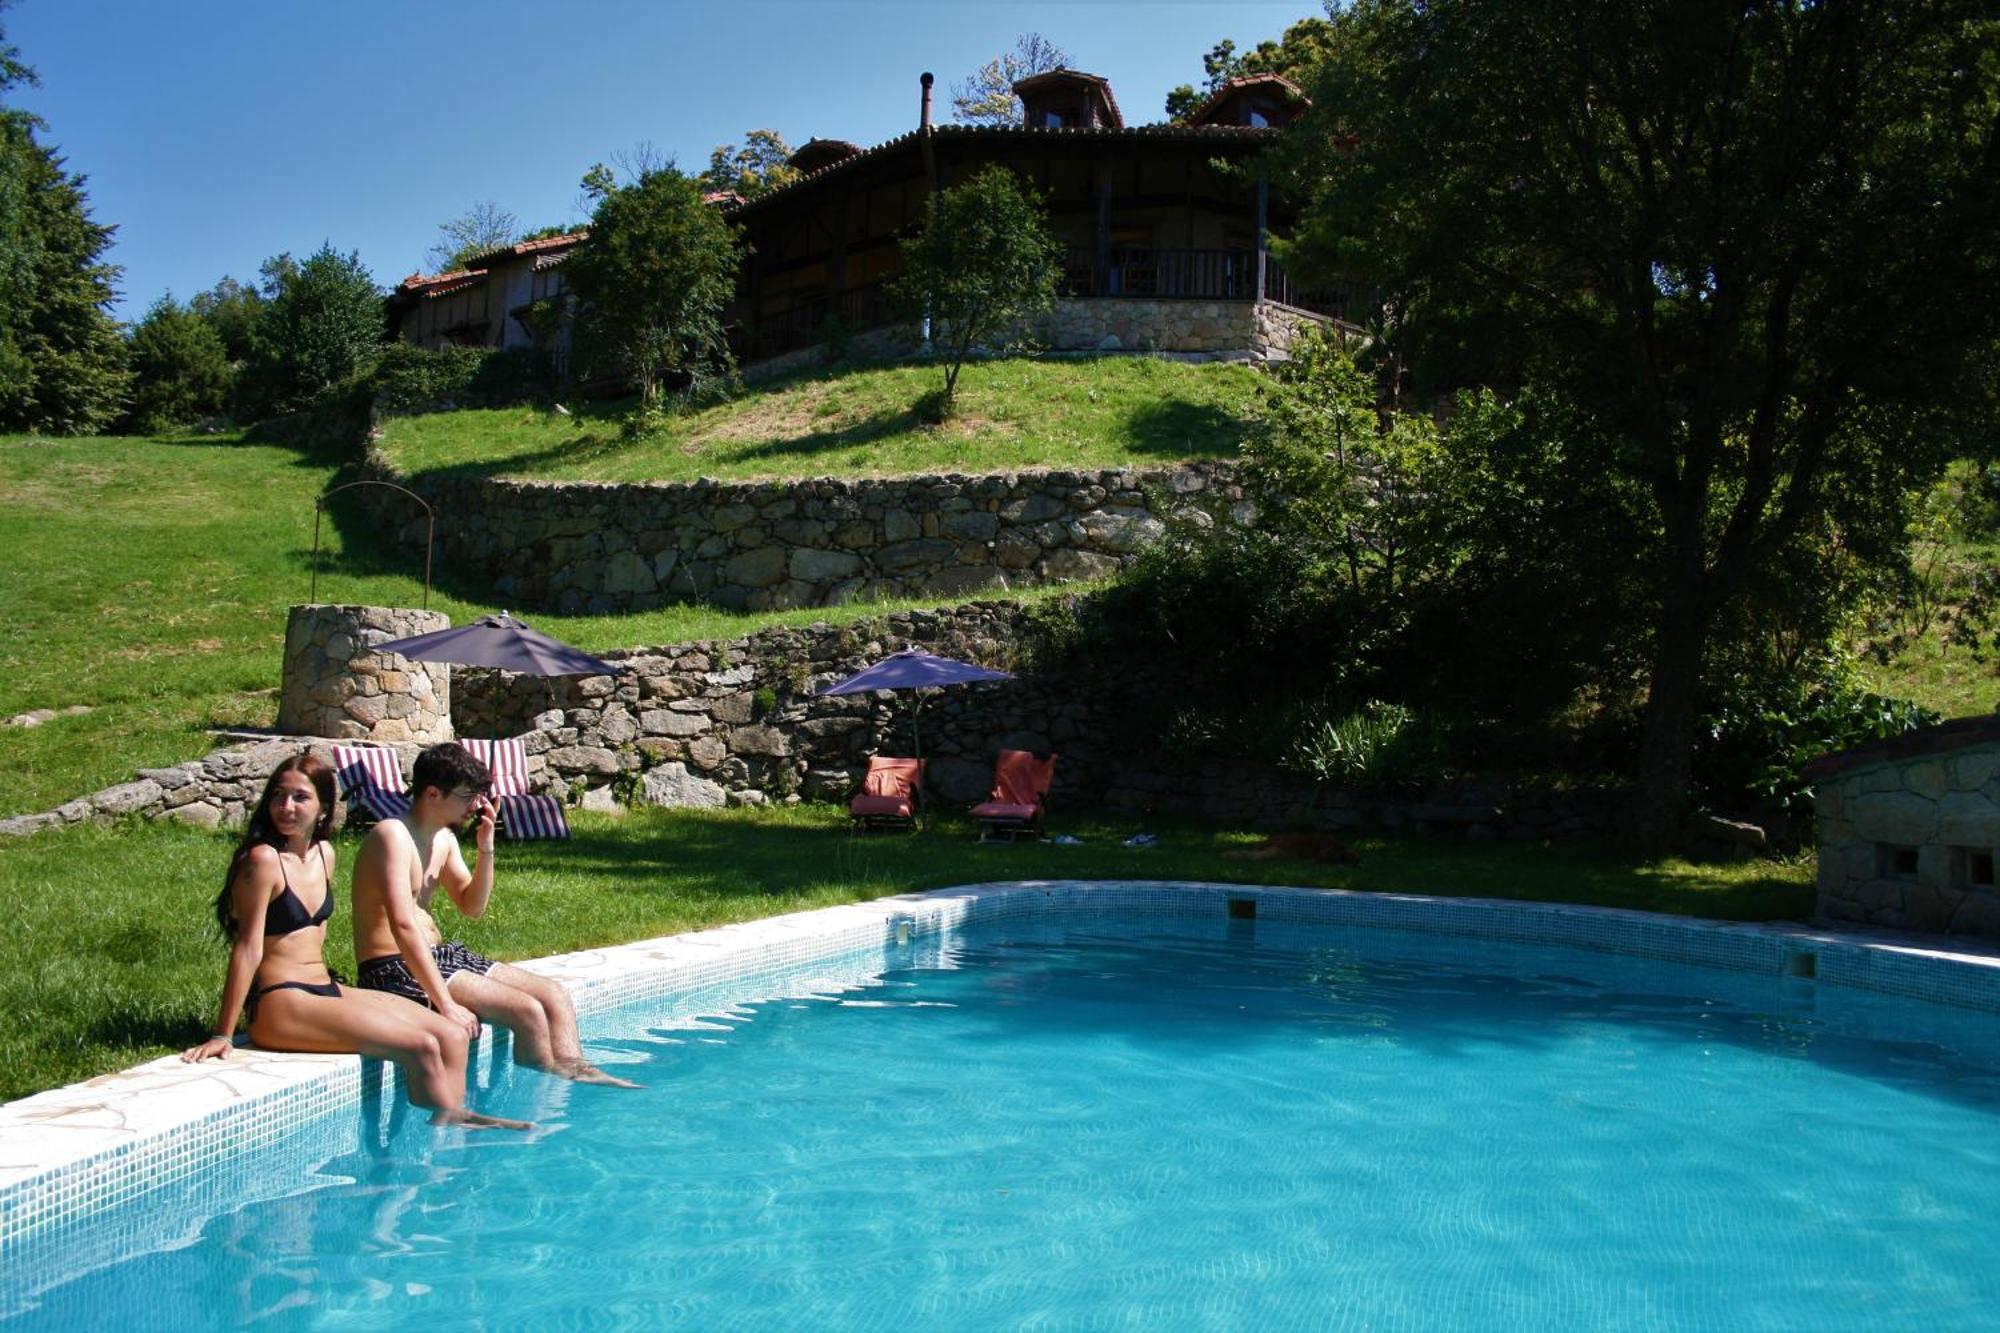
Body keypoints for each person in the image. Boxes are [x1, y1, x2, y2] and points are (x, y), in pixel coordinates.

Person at [182, 755, 528, 1130]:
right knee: (422, 1046)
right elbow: (248, 948)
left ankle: (448, 1126)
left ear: (323, 808)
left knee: (451, 1032)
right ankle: (452, 1124)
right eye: (279, 796)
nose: (286, 807)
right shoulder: (264, 860)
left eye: (300, 798)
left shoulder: (324, 854)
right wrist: (222, 1033)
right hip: (279, 1000)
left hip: (323, 988)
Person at [351, 742, 636, 1087]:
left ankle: (576, 1073)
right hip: (393, 967)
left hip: (440, 956)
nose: (476, 804)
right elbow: (402, 924)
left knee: (553, 995)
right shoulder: (392, 835)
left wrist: (486, 848)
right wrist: (445, 1003)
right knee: (526, 1011)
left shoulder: (444, 839)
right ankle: (542, 1093)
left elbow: (473, 908)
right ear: (432, 794)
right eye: (467, 795)